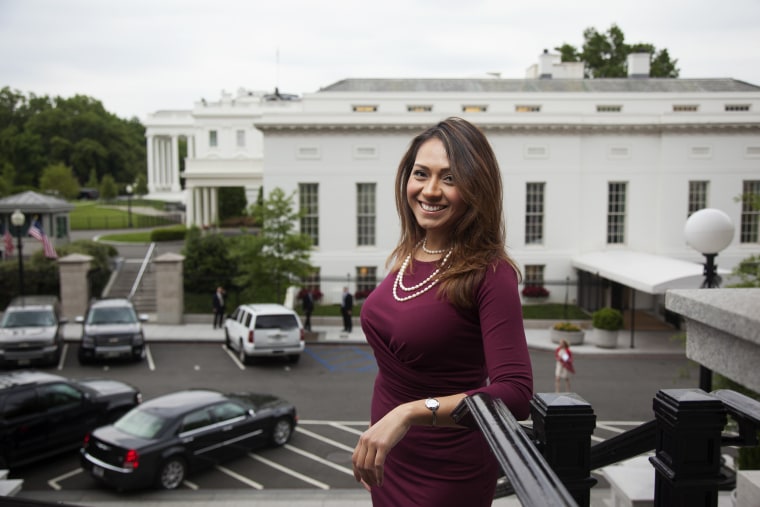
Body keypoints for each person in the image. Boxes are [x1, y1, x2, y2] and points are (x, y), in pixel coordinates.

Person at [351, 117, 533, 506]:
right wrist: (377, 436)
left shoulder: (491, 272)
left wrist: (406, 414)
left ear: (476, 189)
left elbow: (515, 394)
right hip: (391, 459)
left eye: (449, 179)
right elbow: (397, 373)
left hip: (445, 473)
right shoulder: (411, 253)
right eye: (421, 174)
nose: (430, 190)